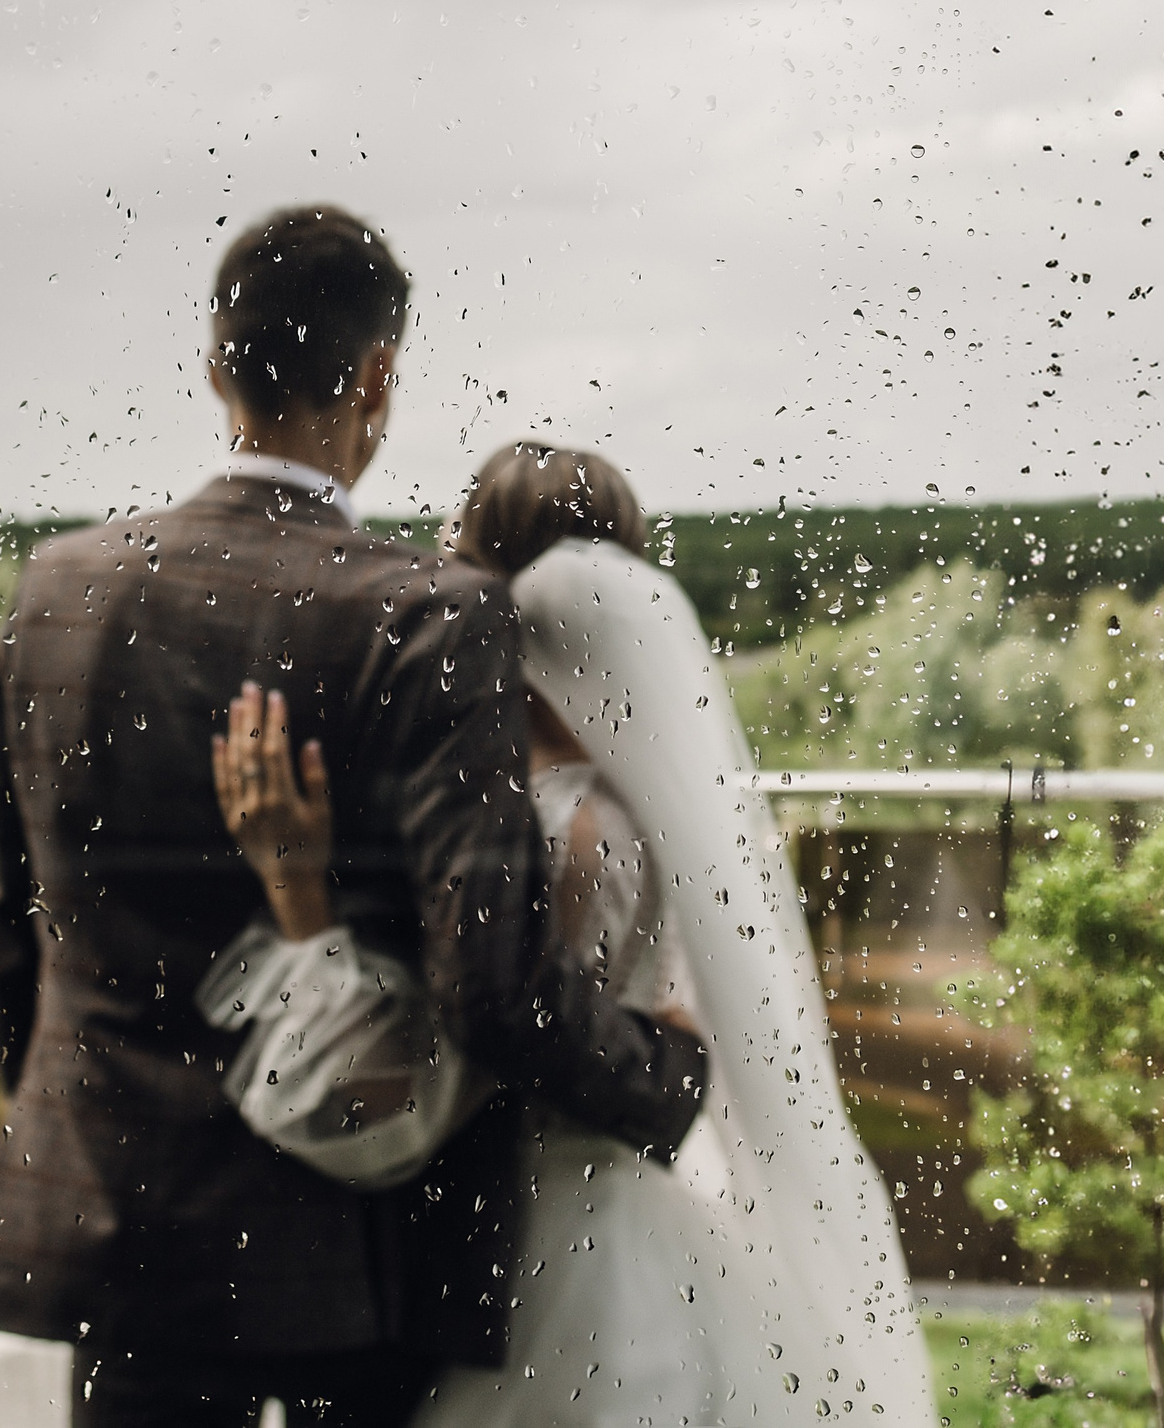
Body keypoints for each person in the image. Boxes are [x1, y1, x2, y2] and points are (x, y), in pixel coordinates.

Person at [0, 209, 709, 1428]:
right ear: (376, 375)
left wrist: (67, 1122)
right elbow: (491, 983)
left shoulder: (60, 589)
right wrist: (664, 1079)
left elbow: (9, 913)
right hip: (351, 1256)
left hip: (116, 1217)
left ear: (214, 366)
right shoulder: (425, 619)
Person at [206, 443, 938, 1428]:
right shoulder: (635, 798)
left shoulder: (553, 825)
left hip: (540, 1226)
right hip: (626, 1206)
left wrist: (302, 898)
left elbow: (493, 1026)